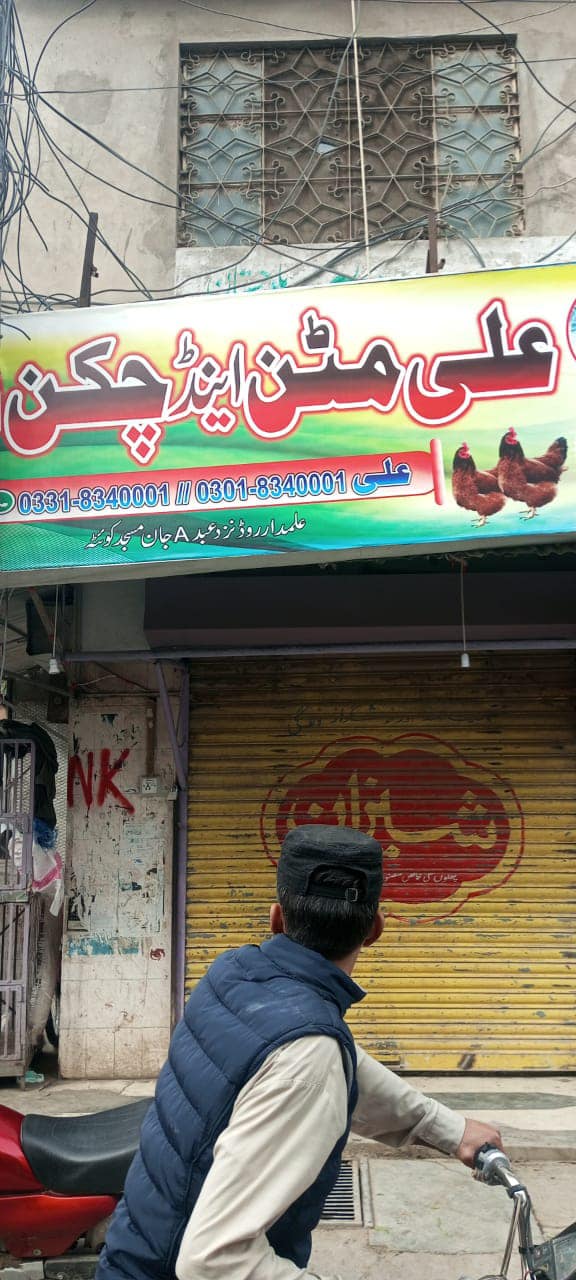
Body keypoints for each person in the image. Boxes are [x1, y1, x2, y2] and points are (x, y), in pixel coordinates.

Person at [97, 824, 502, 1280]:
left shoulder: (231, 974)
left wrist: (448, 1129)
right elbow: (214, 1260)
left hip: (133, 1253)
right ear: (375, 930)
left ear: (276, 918)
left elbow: (329, 1062)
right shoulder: (307, 1051)